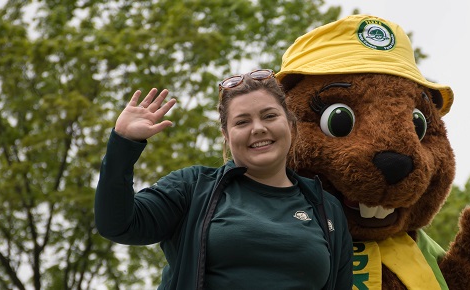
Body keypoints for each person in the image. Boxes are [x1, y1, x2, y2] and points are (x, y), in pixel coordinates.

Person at [94, 69, 353, 289]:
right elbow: (118, 224)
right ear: (226, 136)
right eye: (242, 122)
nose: (258, 128)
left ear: (291, 125)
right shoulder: (193, 187)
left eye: (269, 116)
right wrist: (123, 144)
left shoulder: (325, 207)